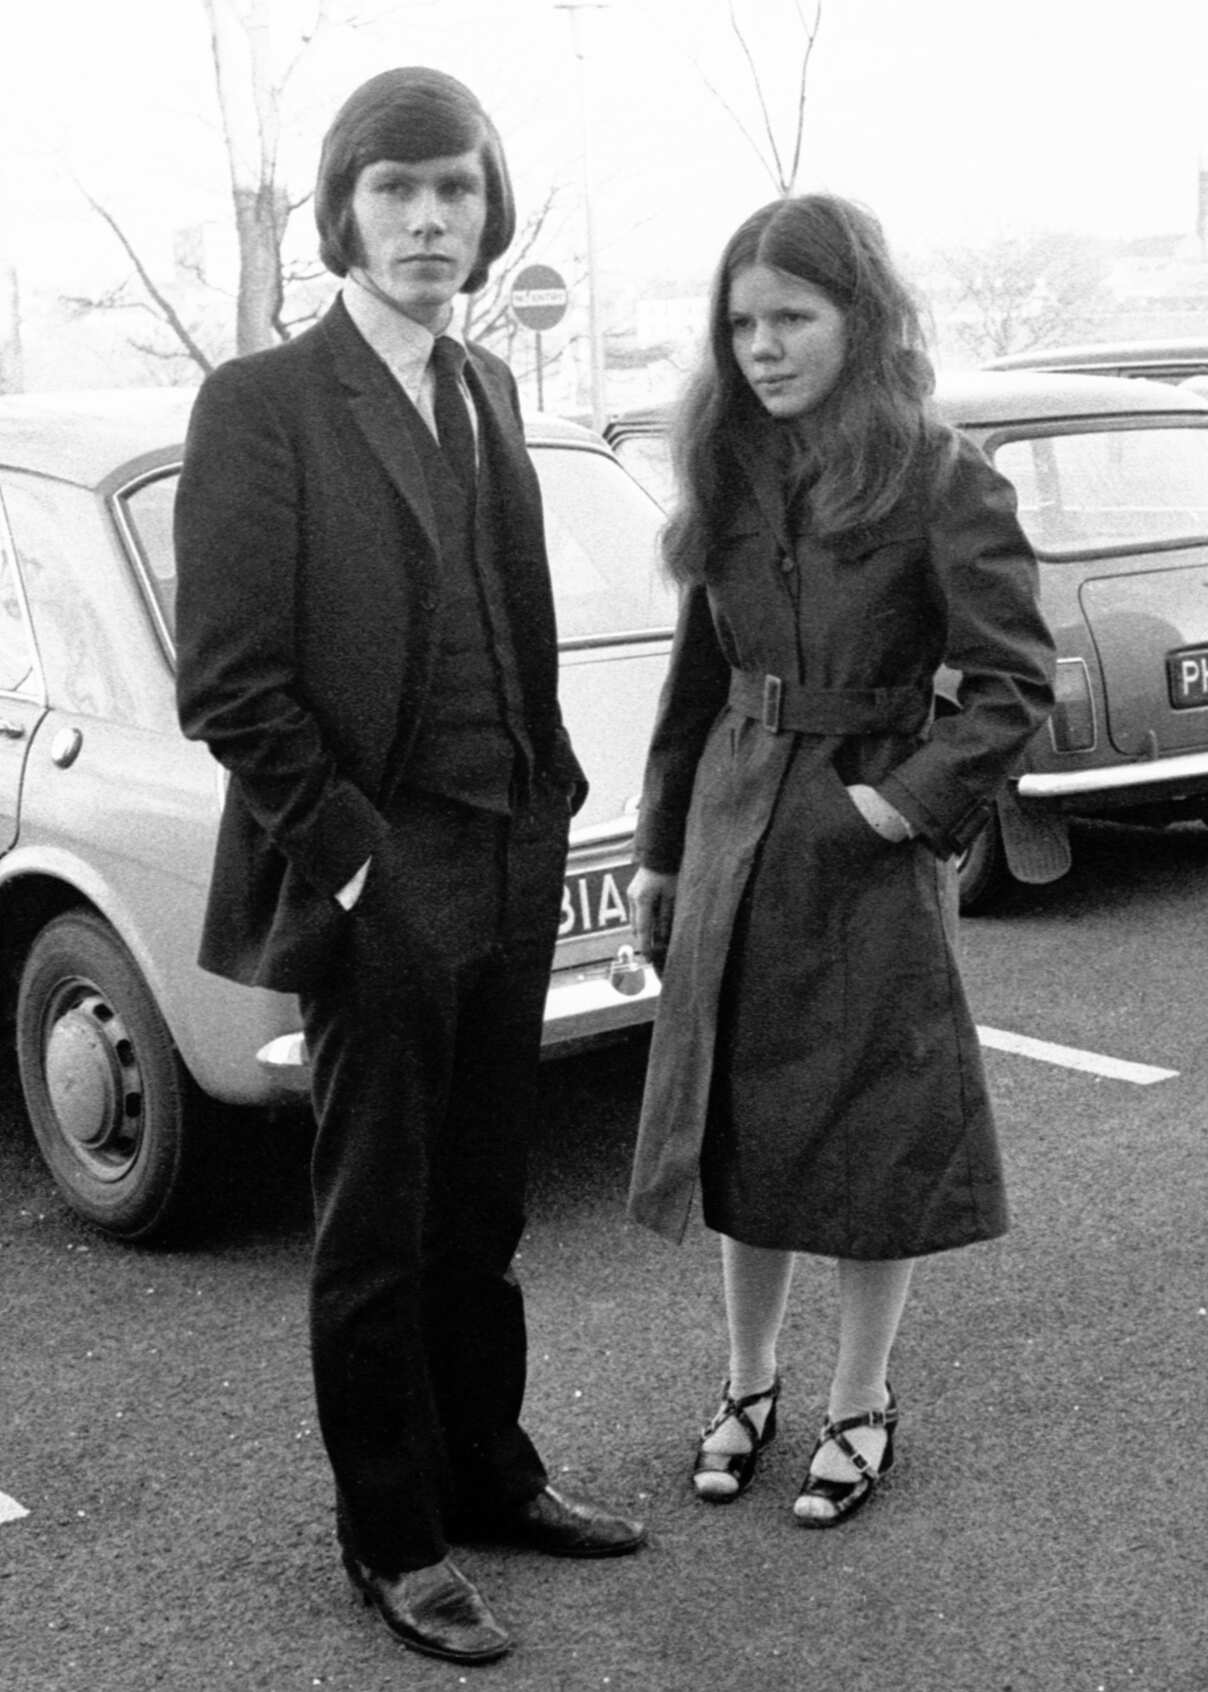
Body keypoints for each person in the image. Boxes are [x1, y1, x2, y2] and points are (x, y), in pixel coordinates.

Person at [175, 66, 644, 1668]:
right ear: (346, 210)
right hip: (381, 870)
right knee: (377, 1224)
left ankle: (489, 1473)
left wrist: (550, 798)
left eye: (456, 189)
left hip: (511, 846)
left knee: (485, 1204)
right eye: (398, 189)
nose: (431, 219)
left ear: (485, 211)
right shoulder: (264, 404)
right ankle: (392, 1535)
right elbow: (231, 685)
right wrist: (365, 871)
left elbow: (516, 613)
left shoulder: (488, 383)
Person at [627, 194, 1055, 1528]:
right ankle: (747, 1383)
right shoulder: (729, 464)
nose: (762, 347)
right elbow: (697, 680)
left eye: (792, 318)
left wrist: (900, 808)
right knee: (742, 1121)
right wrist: (658, 851)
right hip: (733, 825)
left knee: (874, 1132)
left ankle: (860, 1401)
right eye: (742, 323)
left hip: (862, 841)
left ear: (857, 318)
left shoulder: (938, 471)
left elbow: (1012, 682)